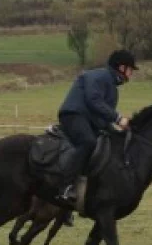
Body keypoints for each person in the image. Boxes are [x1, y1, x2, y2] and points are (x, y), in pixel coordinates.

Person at [55, 49, 137, 204]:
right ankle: (65, 186)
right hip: (74, 115)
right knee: (88, 142)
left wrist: (117, 132)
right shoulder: (100, 76)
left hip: (88, 120)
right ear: (121, 68)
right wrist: (119, 119)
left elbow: (103, 117)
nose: (131, 73)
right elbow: (94, 101)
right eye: (131, 69)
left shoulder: (111, 86)